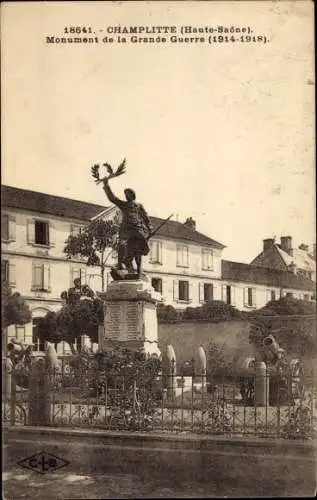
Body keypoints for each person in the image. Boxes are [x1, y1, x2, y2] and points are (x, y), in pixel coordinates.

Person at [102, 178, 153, 275]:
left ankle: (138, 269)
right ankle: (121, 264)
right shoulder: (123, 205)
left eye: (127, 193)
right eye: (125, 194)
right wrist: (106, 185)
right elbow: (112, 198)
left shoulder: (138, 206)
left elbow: (146, 217)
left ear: (132, 195)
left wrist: (150, 228)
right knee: (122, 246)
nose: (126, 195)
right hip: (126, 231)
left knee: (138, 250)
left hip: (138, 230)